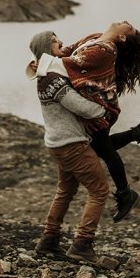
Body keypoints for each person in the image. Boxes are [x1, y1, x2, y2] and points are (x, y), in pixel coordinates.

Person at [29, 22, 140, 222]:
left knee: (105, 149)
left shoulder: (105, 50)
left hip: (100, 107)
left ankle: (125, 193)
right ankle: (138, 133)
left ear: (123, 38)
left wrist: (41, 63)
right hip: (94, 104)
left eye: (131, 29)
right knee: (101, 146)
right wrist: (42, 60)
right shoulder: (95, 38)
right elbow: (68, 51)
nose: (128, 23)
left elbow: (72, 62)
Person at [28, 30, 110, 264]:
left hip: (58, 143)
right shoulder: (52, 79)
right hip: (71, 144)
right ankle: (82, 245)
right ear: (46, 46)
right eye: (55, 41)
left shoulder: (47, 73)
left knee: (65, 191)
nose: (60, 42)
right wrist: (103, 109)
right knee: (99, 190)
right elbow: (79, 107)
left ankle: (49, 241)